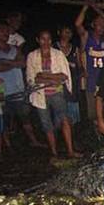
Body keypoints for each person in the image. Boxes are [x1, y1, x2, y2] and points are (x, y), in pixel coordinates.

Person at [0, 22, 43, 148]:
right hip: (1, 91)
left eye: (7, 30)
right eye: (2, 30)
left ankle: (33, 141)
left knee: (25, 118)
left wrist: (5, 62)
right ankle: (7, 146)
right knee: (4, 119)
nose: (5, 33)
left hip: (18, 90)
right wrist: (13, 63)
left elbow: (23, 63)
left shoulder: (14, 48)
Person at [27, 30, 81, 158]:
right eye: (43, 39)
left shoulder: (58, 55)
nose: (46, 42)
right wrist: (53, 78)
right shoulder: (32, 56)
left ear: (51, 40)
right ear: (37, 40)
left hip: (57, 93)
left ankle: (70, 150)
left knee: (64, 119)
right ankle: (54, 152)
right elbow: (32, 79)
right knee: (47, 123)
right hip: (40, 94)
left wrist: (44, 75)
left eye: (48, 39)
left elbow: (64, 76)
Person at [75, 6, 104, 121]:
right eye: (98, 23)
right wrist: (85, 7)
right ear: (93, 24)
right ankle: (97, 134)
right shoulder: (86, 37)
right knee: (93, 113)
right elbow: (78, 25)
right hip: (91, 79)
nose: (101, 26)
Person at [54, 25, 81, 126]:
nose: (67, 35)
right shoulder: (53, 48)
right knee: (59, 108)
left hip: (73, 82)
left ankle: (72, 129)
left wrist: (81, 72)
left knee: (72, 109)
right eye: (65, 32)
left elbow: (79, 65)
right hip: (57, 83)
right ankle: (59, 131)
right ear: (59, 32)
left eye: (69, 32)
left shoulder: (75, 49)